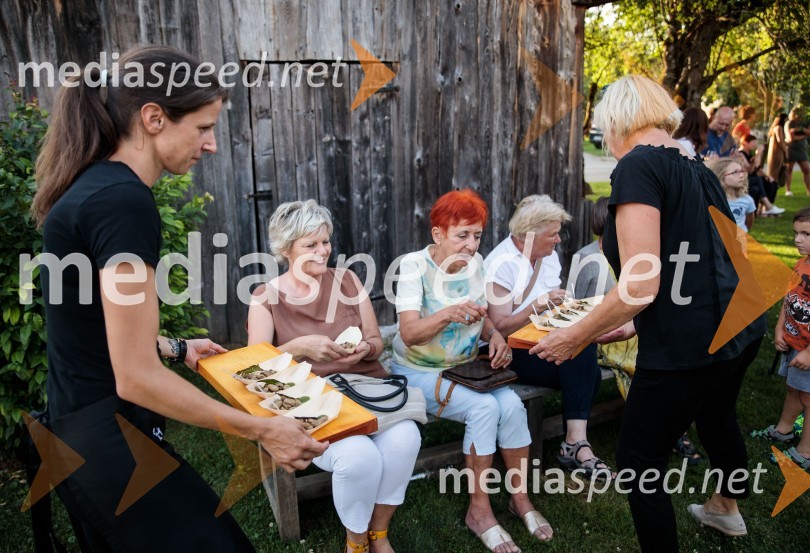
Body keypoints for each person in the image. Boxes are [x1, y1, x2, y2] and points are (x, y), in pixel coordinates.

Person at [30, 46, 327, 552]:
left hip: (80, 430)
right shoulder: (123, 202)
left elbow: (87, 326)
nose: (210, 145)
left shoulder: (92, 187)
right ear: (153, 118)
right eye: (203, 127)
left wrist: (174, 348)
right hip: (111, 442)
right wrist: (260, 429)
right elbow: (136, 377)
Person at [529, 75, 765, 552]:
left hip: (690, 344)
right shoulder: (695, 164)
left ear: (615, 121)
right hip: (741, 328)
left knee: (638, 462)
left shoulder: (638, 166)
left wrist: (574, 335)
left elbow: (640, 283)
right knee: (719, 419)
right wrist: (634, 322)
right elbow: (702, 262)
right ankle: (726, 508)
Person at [247, 200, 421, 553]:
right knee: (358, 458)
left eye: (325, 241)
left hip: (364, 389)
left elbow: (375, 341)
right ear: (285, 250)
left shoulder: (348, 280)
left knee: (406, 439)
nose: (323, 250)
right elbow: (254, 368)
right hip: (311, 402)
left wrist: (364, 350)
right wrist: (298, 348)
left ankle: (379, 533)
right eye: (310, 245)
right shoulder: (265, 297)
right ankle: (355, 542)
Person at [390, 189, 552, 553]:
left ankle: (519, 498)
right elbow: (409, 333)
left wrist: (495, 337)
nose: (471, 244)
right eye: (461, 235)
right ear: (438, 234)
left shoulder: (476, 266)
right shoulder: (414, 267)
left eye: (477, 235)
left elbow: (481, 320)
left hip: (465, 369)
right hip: (416, 371)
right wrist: (447, 313)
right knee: (486, 408)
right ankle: (479, 510)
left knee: (510, 406)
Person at [483, 194, 613, 479]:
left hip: (539, 340)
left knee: (581, 347)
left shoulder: (547, 256)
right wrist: (538, 305)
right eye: (552, 234)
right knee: (580, 360)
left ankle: (574, 443)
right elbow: (500, 328)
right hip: (508, 350)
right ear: (529, 236)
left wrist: (567, 308)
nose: (558, 240)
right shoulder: (502, 264)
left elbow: (552, 306)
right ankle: (576, 446)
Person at [567, 198, 703, 465]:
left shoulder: (639, 259)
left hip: (635, 329)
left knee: (669, 352)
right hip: (600, 335)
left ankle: (674, 425)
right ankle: (665, 429)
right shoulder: (587, 258)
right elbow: (573, 308)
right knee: (647, 362)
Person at [751, 203, 810, 470]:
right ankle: (783, 430)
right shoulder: (803, 263)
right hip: (794, 342)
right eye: (797, 233)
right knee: (793, 389)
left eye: (807, 234)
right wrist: (779, 328)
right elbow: (790, 298)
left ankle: (805, 452)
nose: (798, 239)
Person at [737, 133, 784, 216]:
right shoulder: (740, 154)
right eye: (753, 142)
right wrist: (758, 155)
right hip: (744, 180)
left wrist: (767, 176)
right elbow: (750, 171)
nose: (755, 144)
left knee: (772, 183)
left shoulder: (750, 154)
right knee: (757, 182)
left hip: (753, 179)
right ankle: (768, 207)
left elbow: (757, 168)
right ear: (745, 142)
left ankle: (766, 209)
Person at [706, 158, 755, 233]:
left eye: (741, 171)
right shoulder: (713, 200)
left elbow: (749, 222)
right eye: (735, 172)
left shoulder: (747, 200)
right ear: (721, 176)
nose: (741, 175)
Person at [784, 105, 810, 196]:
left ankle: (809, 190)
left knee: (806, 169)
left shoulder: (805, 123)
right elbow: (791, 138)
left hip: (802, 149)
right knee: (789, 169)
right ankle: (788, 190)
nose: (799, 115)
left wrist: (801, 130)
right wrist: (805, 134)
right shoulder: (789, 123)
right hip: (791, 149)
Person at [766, 113, 789, 186]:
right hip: (777, 153)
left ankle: (772, 187)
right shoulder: (779, 128)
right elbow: (780, 141)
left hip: (774, 153)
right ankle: (772, 188)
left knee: (773, 172)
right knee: (775, 172)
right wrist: (786, 152)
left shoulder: (775, 128)